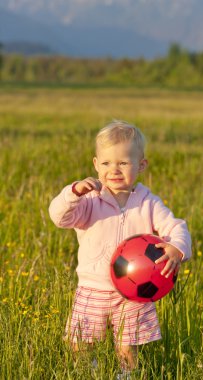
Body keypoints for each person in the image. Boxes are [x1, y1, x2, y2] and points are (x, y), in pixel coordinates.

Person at [49, 120, 191, 378]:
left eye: (123, 163)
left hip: (136, 291)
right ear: (95, 165)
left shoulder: (148, 202)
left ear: (141, 165)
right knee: (79, 343)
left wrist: (176, 248)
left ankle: (126, 375)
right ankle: (88, 373)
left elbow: (175, 226)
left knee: (127, 348)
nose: (114, 170)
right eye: (106, 163)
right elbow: (60, 218)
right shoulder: (89, 201)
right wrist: (73, 192)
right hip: (93, 288)